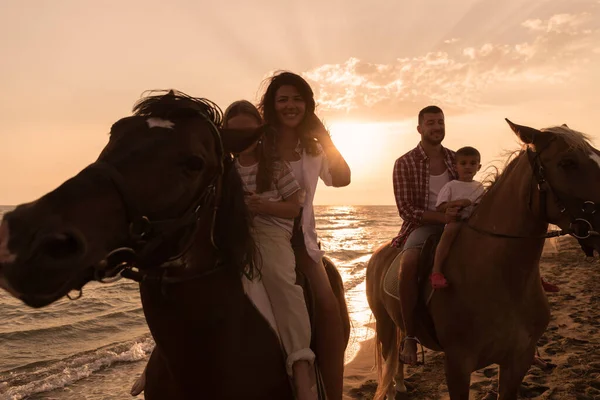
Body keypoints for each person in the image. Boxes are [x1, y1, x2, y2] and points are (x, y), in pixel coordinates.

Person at [258, 71, 351, 400]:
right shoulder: (258, 142)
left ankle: (331, 391)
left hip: (302, 242)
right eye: (282, 99)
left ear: (308, 105)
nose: (290, 105)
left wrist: (325, 137)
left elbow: (341, 179)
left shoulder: (314, 151)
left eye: (298, 99)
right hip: (259, 233)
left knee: (328, 310)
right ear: (272, 105)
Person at [227, 100, 316, 400]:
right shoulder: (225, 170)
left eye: (248, 132)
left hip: (270, 232)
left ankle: (301, 362)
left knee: (280, 280)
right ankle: (163, 354)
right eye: (234, 133)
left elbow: (294, 207)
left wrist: (262, 205)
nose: (243, 140)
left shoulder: (274, 165)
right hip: (235, 234)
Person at [392, 105, 459, 365]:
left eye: (440, 122)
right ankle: (410, 336)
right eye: (430, 123)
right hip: (423, 226)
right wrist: (443, 218)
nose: (437, 127)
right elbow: (406, 209)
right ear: (420, 128)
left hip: (460, 224)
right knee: (408, 264)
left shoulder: (457, 158)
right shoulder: (405, 163)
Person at [430, 146, 484, 289]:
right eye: (463, 163)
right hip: (458, 221)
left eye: (473, 163)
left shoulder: (480, 187)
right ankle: (437, 271)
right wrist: (458, 203)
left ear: (479, 167)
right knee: (449, 233)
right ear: (455, 167)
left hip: (476, 223)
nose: (468, 167)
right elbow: (440, 206)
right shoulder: (451, 186)